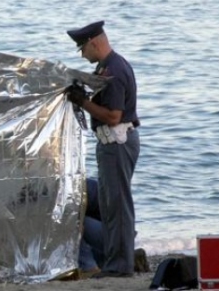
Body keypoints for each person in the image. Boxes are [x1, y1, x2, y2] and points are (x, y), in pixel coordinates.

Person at [65, 21, 141, 278]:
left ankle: (120, 267)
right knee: (111, 204)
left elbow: (113, 116)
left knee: (117, 205)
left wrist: (83, 101)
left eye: (82, 48)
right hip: (110, 143)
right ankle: (117, 261)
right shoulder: (106, 67)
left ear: (94, 42)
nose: (82, 54)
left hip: (117, 141)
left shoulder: (114, 70)